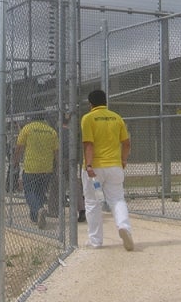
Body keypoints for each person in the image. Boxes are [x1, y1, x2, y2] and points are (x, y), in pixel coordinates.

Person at [81, 89, 134, 251]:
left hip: (95, 168)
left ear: (90, 104)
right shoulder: (116, 117)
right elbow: (126, 143)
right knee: (117, 199)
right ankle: (123, 226)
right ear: (105, 102)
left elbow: (89, 144)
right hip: (114, 166)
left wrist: (89, 165)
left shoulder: (88, 118)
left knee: (92, 203)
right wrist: (123, 160)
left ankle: (96, 241)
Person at [14, 110, 58, 229]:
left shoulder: (27, 128)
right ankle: (35, 217)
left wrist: (15, 162)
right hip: (46, 168)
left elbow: (19, 148)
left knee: (30, 192)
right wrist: (56, 166)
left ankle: (39, 209)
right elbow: (56, 152)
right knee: (40, 192)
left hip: (31, 167)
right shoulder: (51, 131)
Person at [48, 114, 86, 222]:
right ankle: (81, 209)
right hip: (72, 160)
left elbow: (55, 149)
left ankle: (53, 210)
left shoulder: (57, 132)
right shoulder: (71, 132)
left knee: (55, 185)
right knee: (75, 185)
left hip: (60, 160)